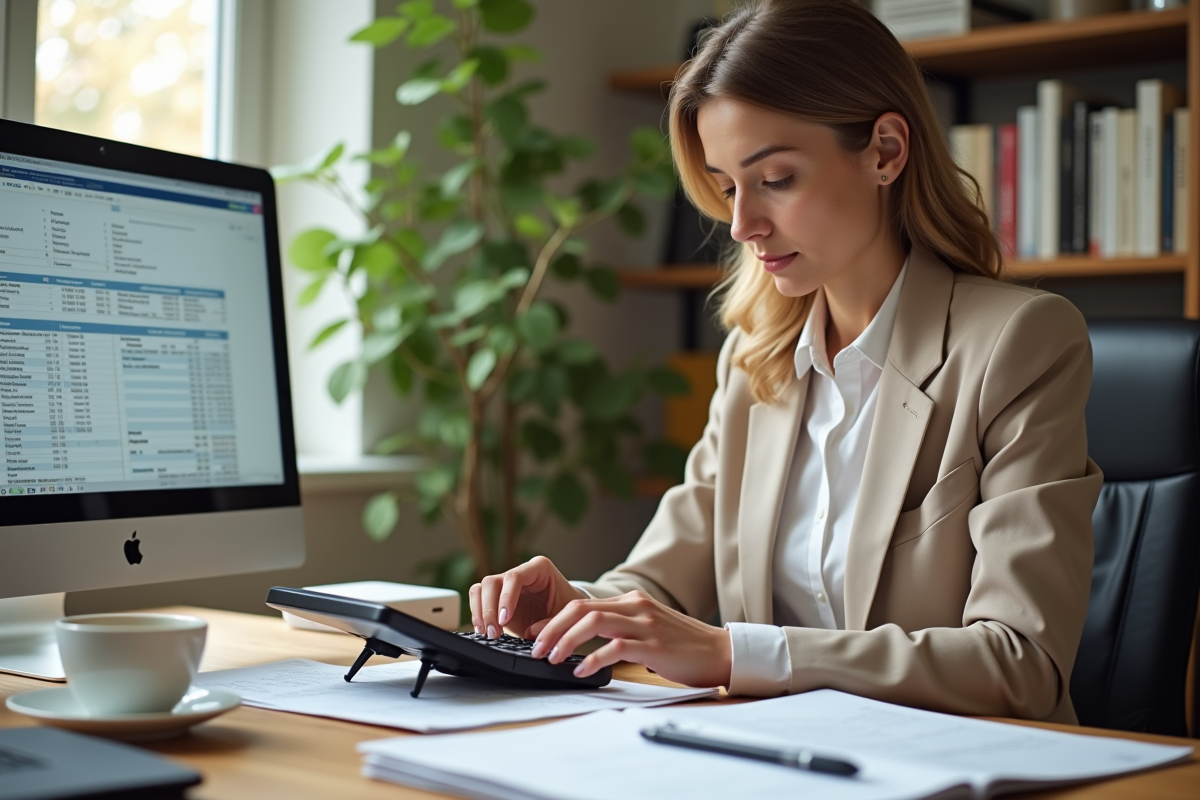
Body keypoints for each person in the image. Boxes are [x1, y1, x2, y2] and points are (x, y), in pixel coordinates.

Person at [469, 0, 1102, 723]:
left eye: (775, 178)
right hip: (779, 752)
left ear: (885, 151)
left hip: (957, 759)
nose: (742, 224)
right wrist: (578, 609)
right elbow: (663, 582)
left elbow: (1021, 662)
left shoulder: (1020, 343)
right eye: (727, 187)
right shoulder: (754, 359)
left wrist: (735, 653)